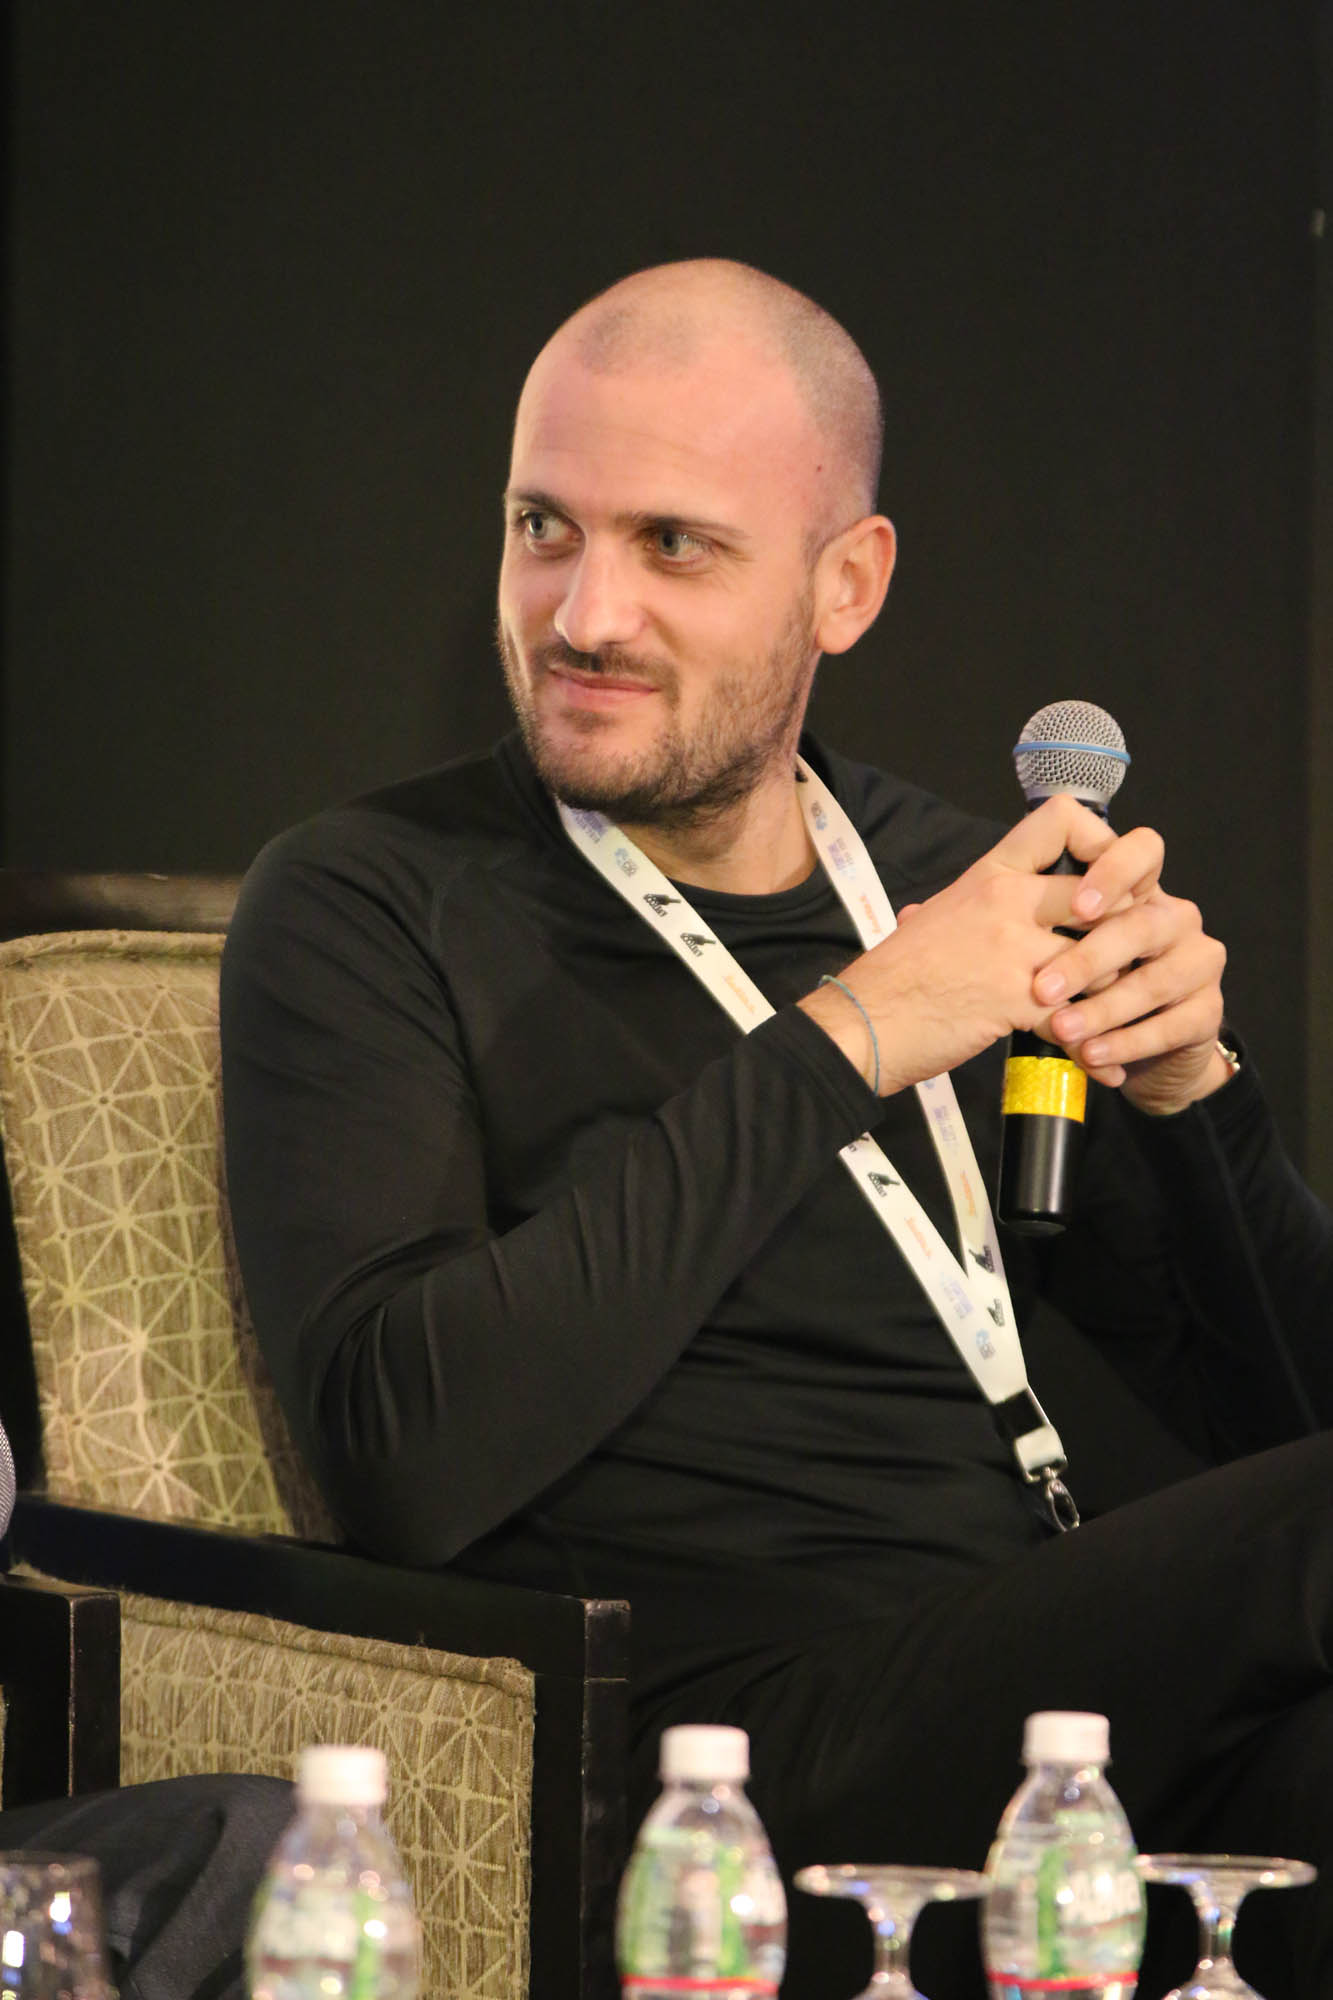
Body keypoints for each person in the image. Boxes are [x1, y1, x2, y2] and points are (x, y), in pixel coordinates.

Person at [219, 259, 1333, 1999]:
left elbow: (1282, 1423)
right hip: (712, 1761)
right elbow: (403, 1450)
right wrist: (849, 1037)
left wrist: (1200, 1103)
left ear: (844, 585)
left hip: (1047, 1699)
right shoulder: (372, 902)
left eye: (673, 545)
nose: (584, 613)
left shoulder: (948, 886)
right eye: (541, 528)